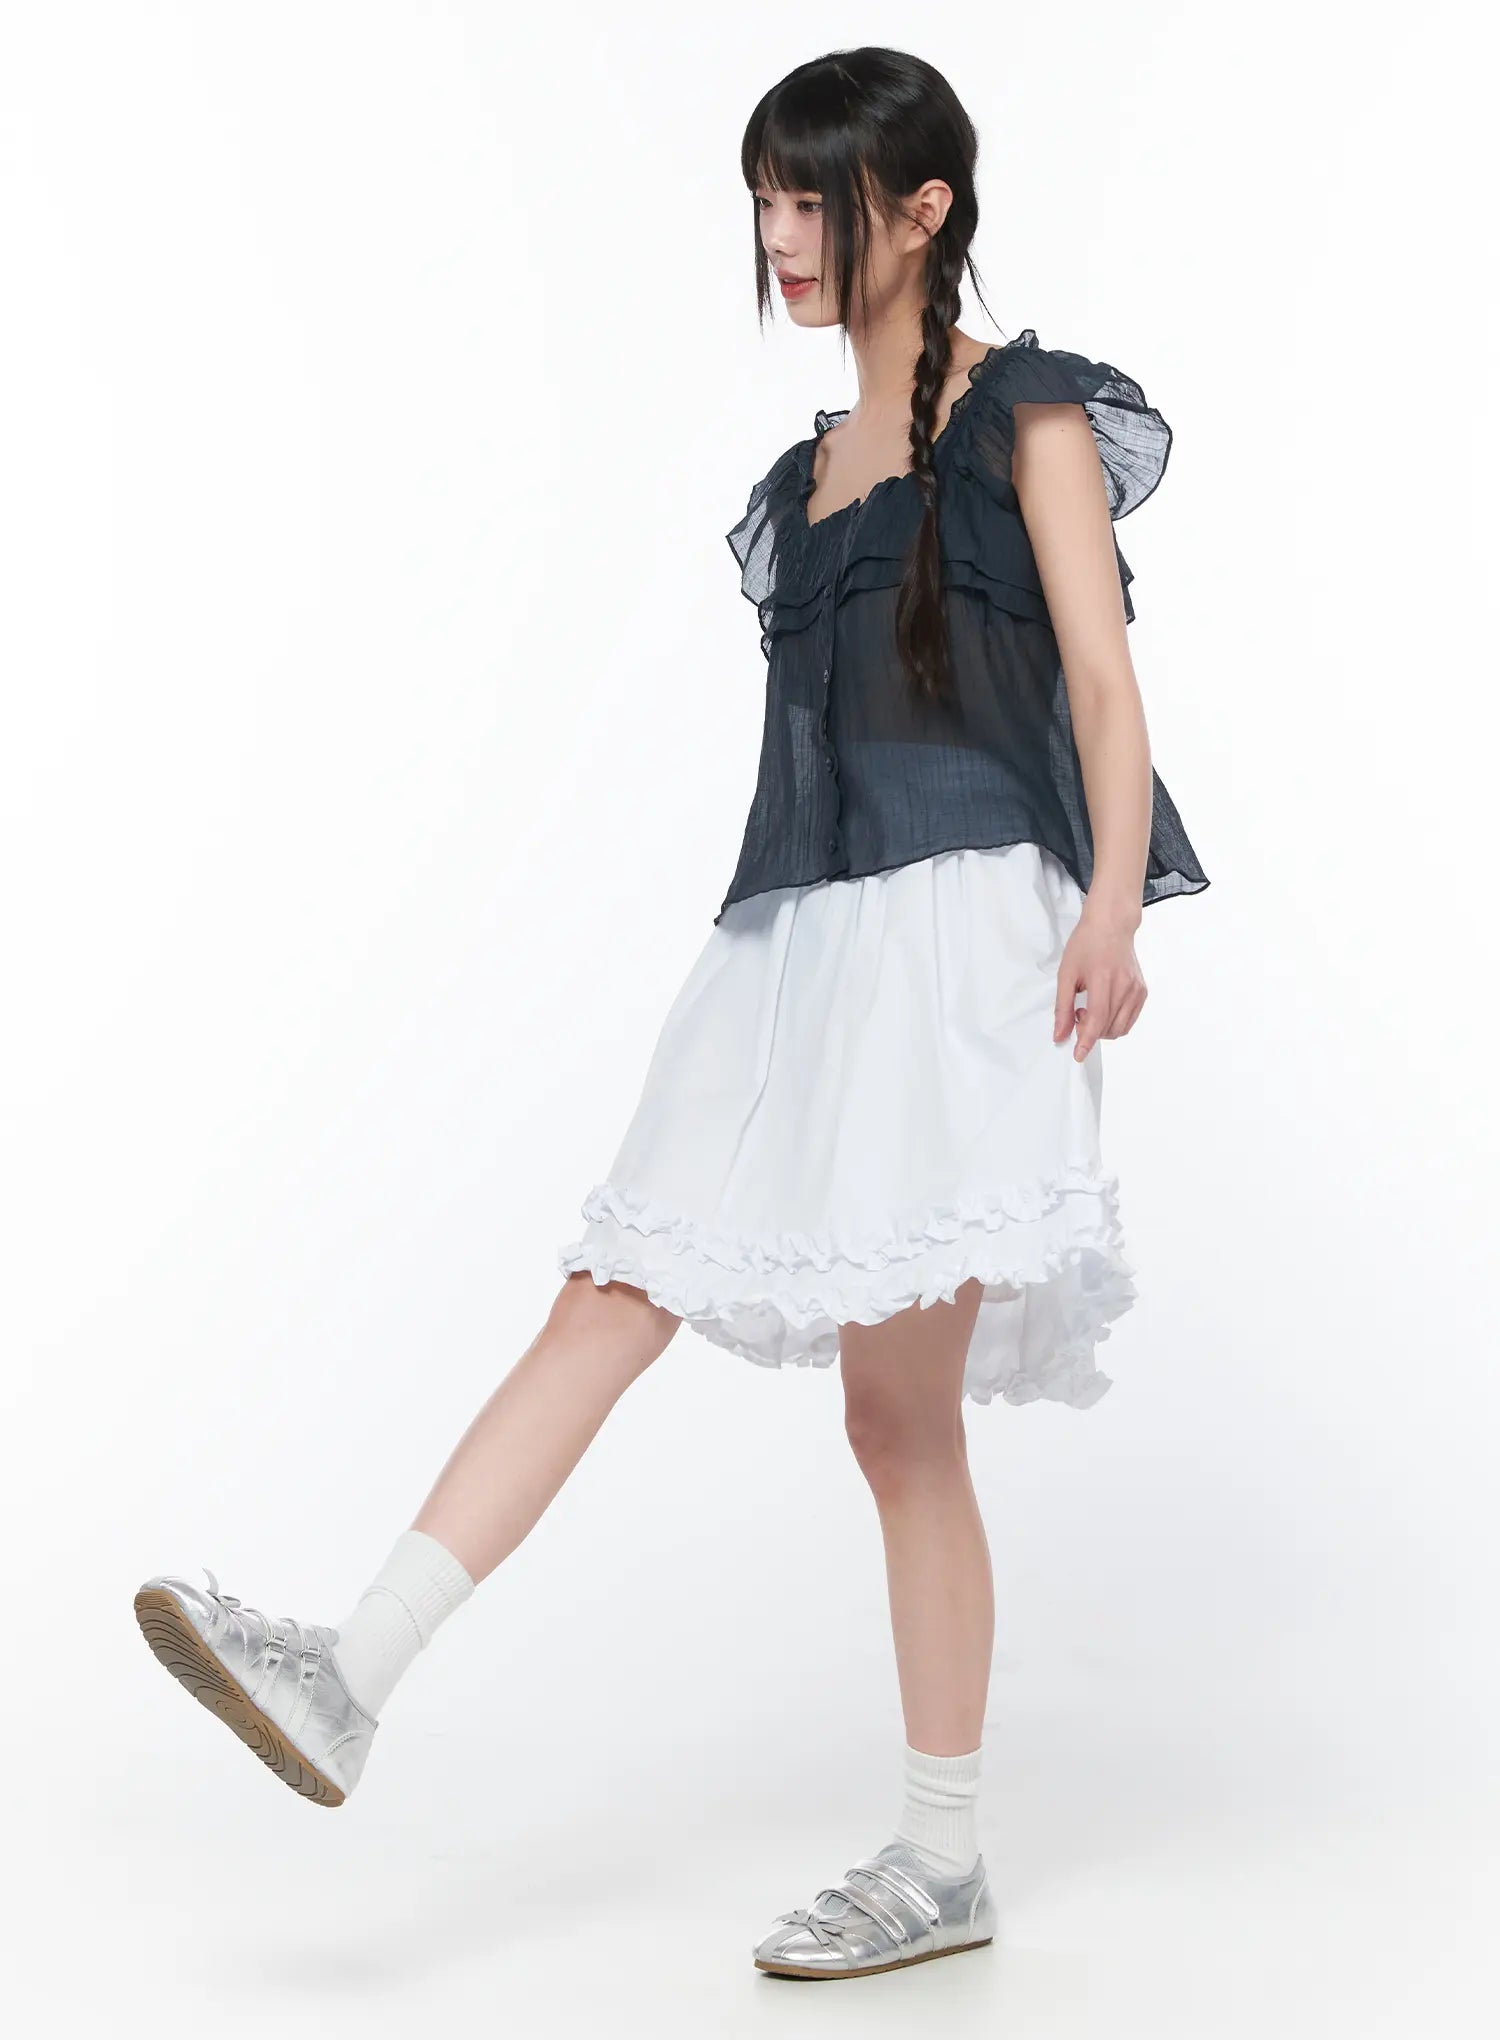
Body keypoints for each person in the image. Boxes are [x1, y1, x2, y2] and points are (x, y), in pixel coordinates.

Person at [134, 46, 1209, 1983]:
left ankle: (941, 1858)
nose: (782, 238)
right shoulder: (802, 483)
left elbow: (1105, 686)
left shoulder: (1026, 412)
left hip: (968, 936)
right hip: (795, 942)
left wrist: (1115, 902)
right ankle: (349, 1675)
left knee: (898, 1422)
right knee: (609, 1284)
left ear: (923, 212)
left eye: (816, 201)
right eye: (767, 202)